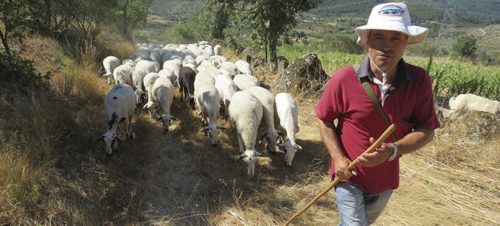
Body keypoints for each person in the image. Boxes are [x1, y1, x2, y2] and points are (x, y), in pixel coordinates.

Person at [315, 2, 440, 225]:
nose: (387, 46)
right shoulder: (344, 79)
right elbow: (324, 118)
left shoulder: (419, 81)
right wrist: (338, 158)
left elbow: (426, 130)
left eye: (396, 38)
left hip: (385, 180)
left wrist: (394, 150)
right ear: (367, 41)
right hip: (348, 176)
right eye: (379, 37)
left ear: (406, 42)